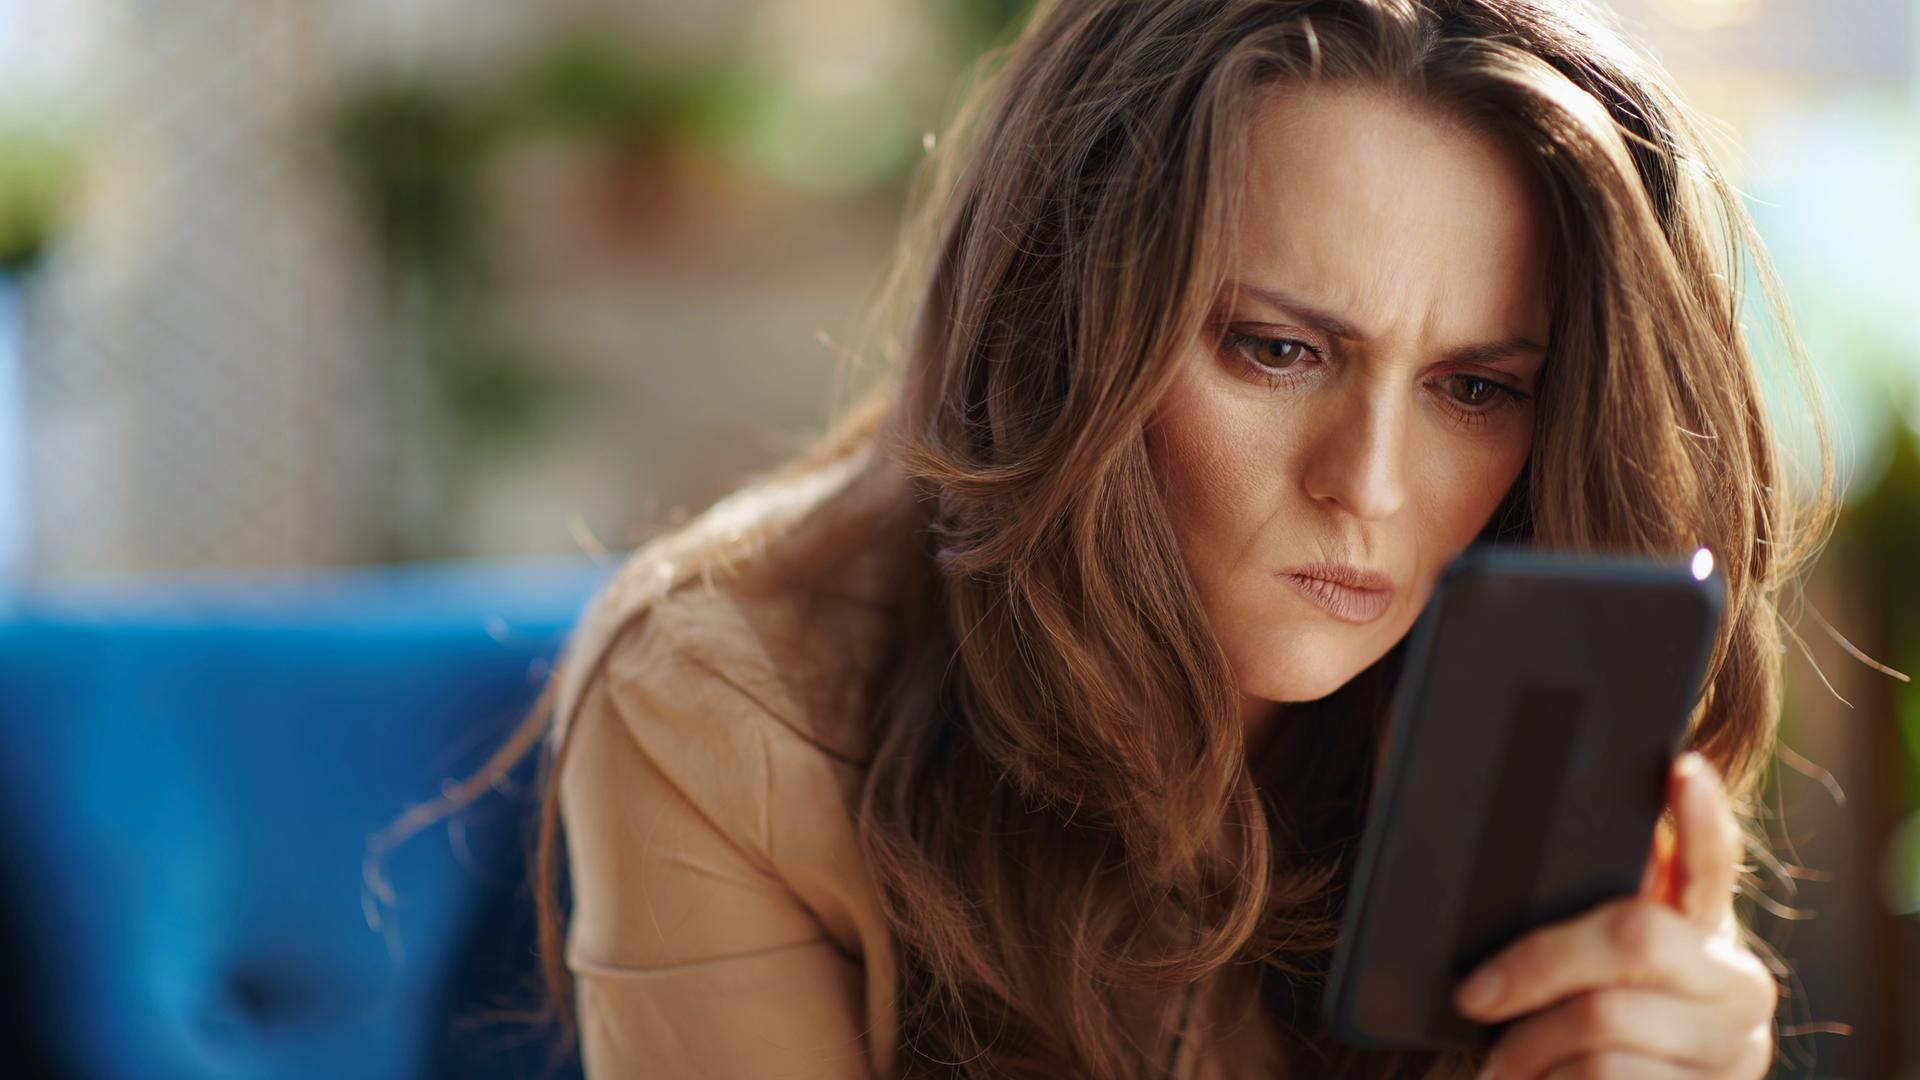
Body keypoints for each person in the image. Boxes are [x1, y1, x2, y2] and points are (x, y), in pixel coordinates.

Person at [396, 0, 1837, 1075]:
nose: (1375, 489)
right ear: (1067, 329)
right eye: (1276, 350)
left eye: (1477, 387)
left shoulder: (1535, 660)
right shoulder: (725, 702)